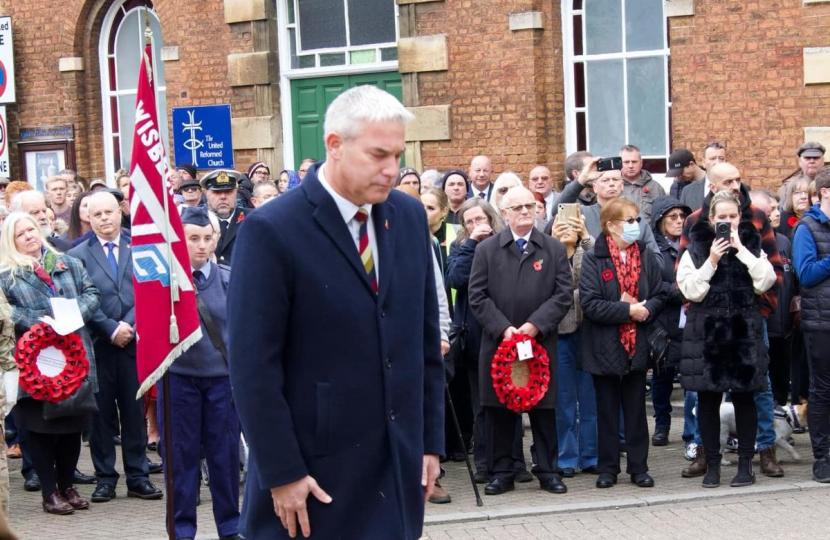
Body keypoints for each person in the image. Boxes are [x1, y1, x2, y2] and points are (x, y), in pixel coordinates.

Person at [227, 85, 444, 540]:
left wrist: (427, 443)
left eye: (398, 156)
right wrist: (281, 471)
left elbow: (421, 342)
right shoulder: (272, 230)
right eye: (378, 155)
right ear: (334, 145)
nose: (392, 171)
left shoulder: (405, 217)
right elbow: (252, 367)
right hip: (314, 475)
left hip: (395, 467)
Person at [678, 162, 786, 478]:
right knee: (707, 400)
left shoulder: (752, 239)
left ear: (740, 217)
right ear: (711, 219)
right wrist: (712, 258)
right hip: (708, 331)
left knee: (747, 396)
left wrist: (741, 249)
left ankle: (747, 466)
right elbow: (689, 289)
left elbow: (766, 280)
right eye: (721, 218)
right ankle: (710, 463)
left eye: (732, 217)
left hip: (743, 330)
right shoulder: (696, 243)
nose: (727, 222)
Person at [468, 186, 573, 496]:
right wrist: (504, 328)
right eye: (519, 207)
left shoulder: (553, 249)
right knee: (500, 410)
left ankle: (548, 470)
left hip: (538, 344)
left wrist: (534, 325)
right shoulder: (486, 250)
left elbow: (563, 293)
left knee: (543, 410)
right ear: (505, 213)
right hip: (500, 344)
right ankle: (502, 472)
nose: (526, 211)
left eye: (531, 205)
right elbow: (477, 295)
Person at [0, 212, 101, 514]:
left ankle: (67, 485)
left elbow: (92, 293)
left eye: (31, 229)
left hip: (74, 359)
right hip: (36, 365)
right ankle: (49, 492)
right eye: (21, 234)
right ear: (11, 241)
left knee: (72, 426)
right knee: (42, 430)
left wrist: (74, 315)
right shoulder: (7, 276)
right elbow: (7, 313)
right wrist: (42, 323)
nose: (29, 236)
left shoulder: (67, 262)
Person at [67, 192, 162, 504]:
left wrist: (129, 326)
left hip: (135, 344)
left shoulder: (142, 246)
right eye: (97, 214)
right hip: (98, 347)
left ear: (120, 211)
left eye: (110, 212)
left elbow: (149, 289)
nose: (105, 218)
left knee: (135, 414)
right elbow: (78, 299)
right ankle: (105, 478)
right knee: (101, 416)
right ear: (89, 218)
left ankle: (138, 476)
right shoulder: (77, 254)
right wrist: (109, 328)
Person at [156, 205, 242, 540]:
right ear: (180, 240)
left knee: (224, 456)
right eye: (193, 238)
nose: (202, 245)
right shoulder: (164, 282)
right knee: (181, 458)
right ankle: (181, 529)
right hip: (178, 380)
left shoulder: (227, 278)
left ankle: (230, 526)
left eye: (207, 238)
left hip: (220, 380)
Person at [578, 198, 666, 489]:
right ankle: (608, 468)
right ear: (611, 225)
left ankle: (639, 467)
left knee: (636, 411)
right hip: (604, 345)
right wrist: (628, 311)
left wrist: (646, 309)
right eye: (629, 220)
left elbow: (659, 293)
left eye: (637, 220)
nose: (635, 226)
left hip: (637, 344)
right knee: (606, 411)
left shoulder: (645, 255)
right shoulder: (594, 257)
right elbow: (590, 304)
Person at [445, 199, 532, 485]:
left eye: (479, 219)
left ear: (492, 218)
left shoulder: (506, 244)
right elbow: (456, 279)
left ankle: (516, 462)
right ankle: (485, 463)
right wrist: (472, 243)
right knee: (482, 405)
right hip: (475, 338)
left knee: (514, 399)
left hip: (508, 334)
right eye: (468, 221)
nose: (475, 225)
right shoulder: (461, 248)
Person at [549, 209, 597, 477]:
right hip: (560, 334)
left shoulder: (587, 251)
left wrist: (586, 237)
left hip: (588, 333)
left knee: (590, 399)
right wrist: (557, 245)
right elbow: (554, 289)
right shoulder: (548, 253)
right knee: (564, 399)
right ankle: (567, 458)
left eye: (572, 223)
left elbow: (598, 275)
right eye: (561, 223)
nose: (566, 228)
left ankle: (591, 455)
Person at [792, 167, 830, 482]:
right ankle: (823, 457)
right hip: (821, 323)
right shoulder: (807, 227)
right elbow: (806, 275)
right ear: (825, 192)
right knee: (823, 390)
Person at [648, 197, 692, 448]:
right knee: (662, 379)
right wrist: (685, 291)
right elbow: (655, 285)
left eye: (681, 217)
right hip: (663, 322)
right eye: (672, 217)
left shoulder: (691, 245)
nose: (678, 221)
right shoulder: (654, 250)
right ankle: (662, 425)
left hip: (688, 324)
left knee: (690, 380)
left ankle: (690, 429)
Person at [202, 170, 253, 266]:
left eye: (228, 192)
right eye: (217, 192)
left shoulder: (251, 219)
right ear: (206, 194)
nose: (223, 197)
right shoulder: (197, 221)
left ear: (236, 193)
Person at [619, 145, 665, 223]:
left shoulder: (655, 187)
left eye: (634, 162)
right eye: (626, 162)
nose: (630, 166)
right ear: (620, 163)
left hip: (650, 234)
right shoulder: (613, 187)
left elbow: (664, 217)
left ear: (641, 163)